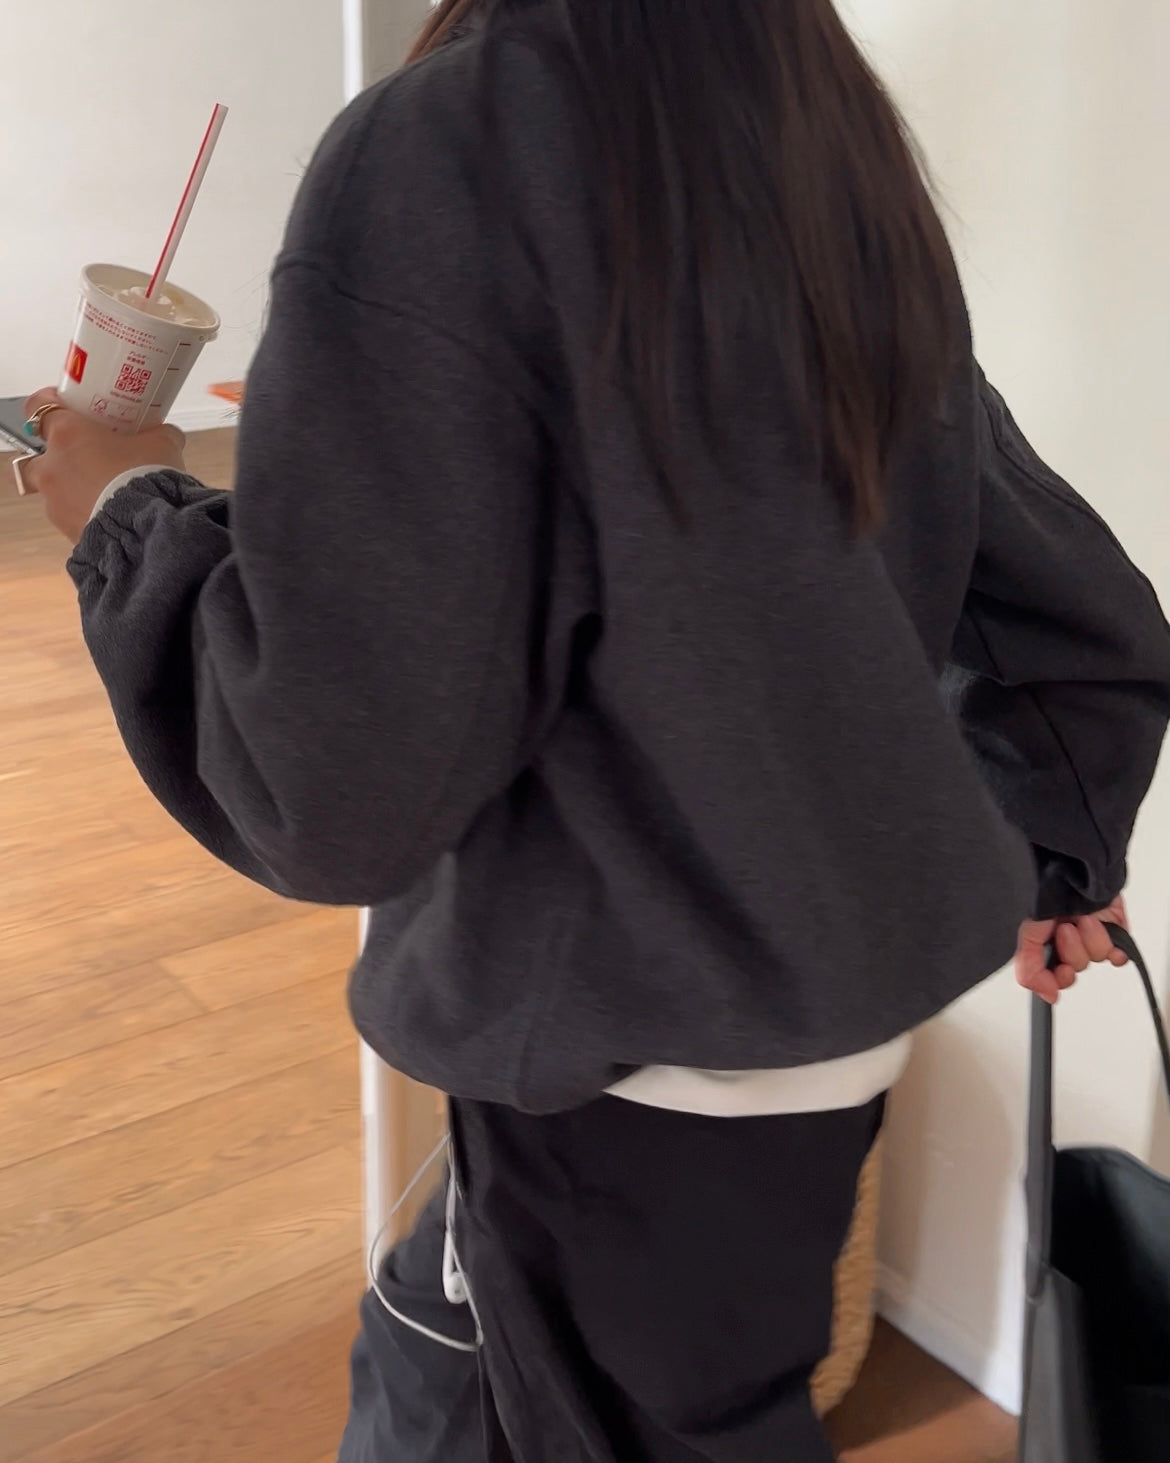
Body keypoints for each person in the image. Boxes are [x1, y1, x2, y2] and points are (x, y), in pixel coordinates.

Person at [20, 1, 1170, 1459]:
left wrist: (128, 515)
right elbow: (1065, 612)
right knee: (473, 1362)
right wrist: (1055, 854)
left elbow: (329, 779)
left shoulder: (452, 146)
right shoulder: (819, 141)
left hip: (619, 1056)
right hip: (804, 1049)